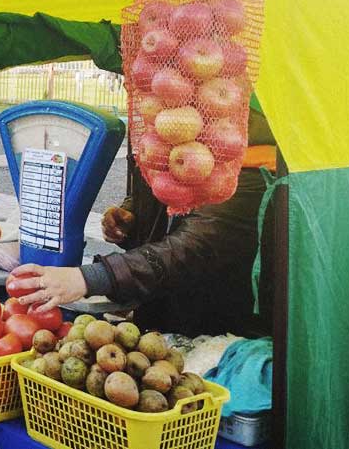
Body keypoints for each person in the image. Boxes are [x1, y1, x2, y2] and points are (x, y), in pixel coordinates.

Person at [17, 108, 277, 337]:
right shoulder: (184, 151)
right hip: (161, 322)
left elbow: (192, 247)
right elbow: (166, 208)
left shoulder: (252, 174)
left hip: (219, 335)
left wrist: (90, 278)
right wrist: (132, 220)